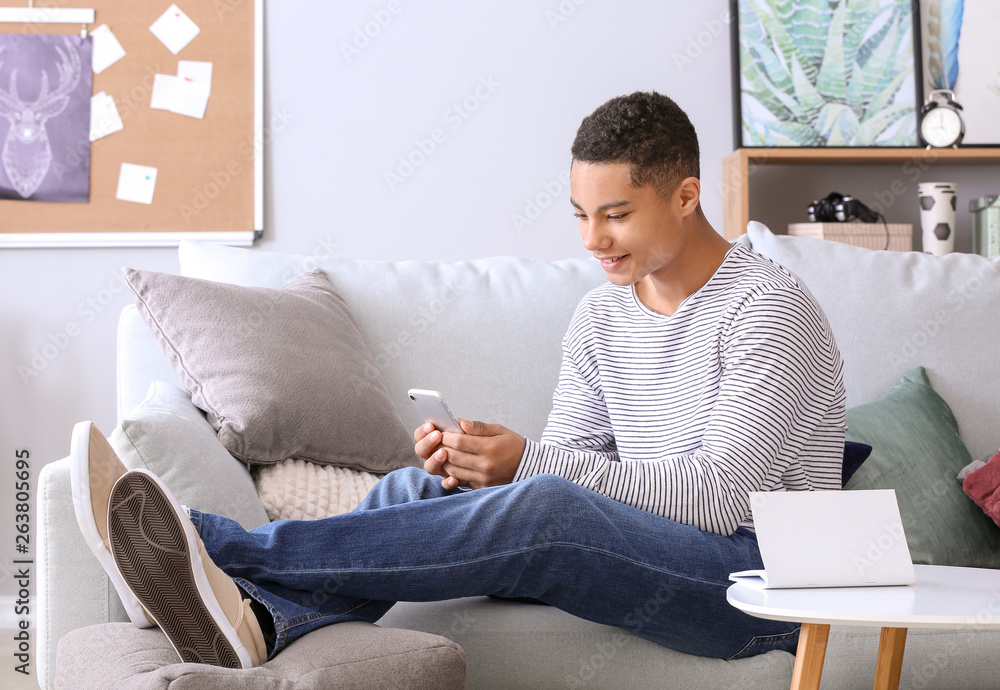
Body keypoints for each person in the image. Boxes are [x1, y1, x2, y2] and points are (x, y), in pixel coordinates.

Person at [72, 91, 846, 670]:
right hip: (658, 551)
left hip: (760, 584)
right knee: (425, 490)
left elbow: (713, 499)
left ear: (686, 195)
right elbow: (585, 464)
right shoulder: (601, 316)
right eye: (578, 214)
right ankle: (262, 622)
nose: (591, 241)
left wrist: (528, 470)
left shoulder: (767, 308)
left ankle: (216, 548)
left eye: (614, 216)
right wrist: (479, 466)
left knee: (542, 504)